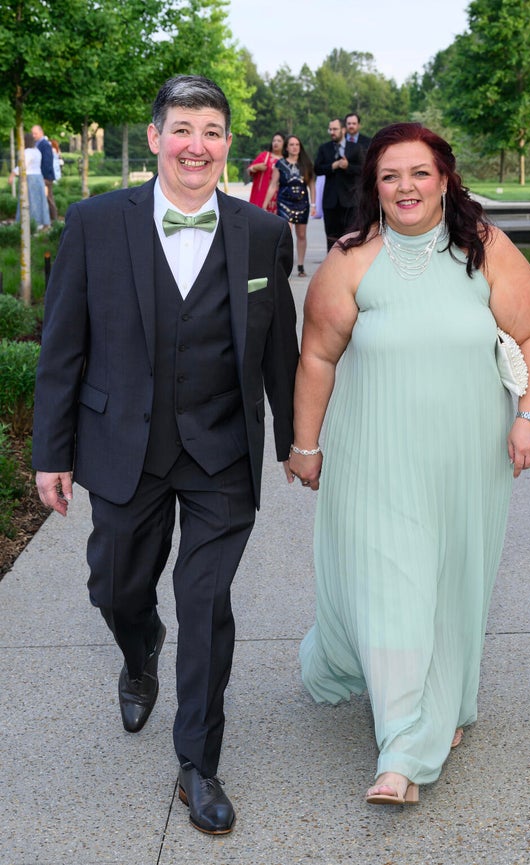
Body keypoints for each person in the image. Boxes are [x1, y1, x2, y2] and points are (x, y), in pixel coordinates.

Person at [32, 75, 299, 836]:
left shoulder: (263, 233)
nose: (197, 145)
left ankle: (198, 764)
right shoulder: (92, 223)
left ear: (227, 144)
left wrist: (295, 441)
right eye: (182, 128)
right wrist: (51, 450)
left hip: (221, 454)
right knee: (115, 584)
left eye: (211, 130)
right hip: (123, 446)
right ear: (155, 138)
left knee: (207, 603)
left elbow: (279, 348)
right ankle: (139, 643)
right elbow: (63, 345)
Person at [289, 122, 530, 806]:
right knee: (395, 583)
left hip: (469, 453)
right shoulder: (351, 260)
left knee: (456, 581)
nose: (405, 187)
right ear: (372, 186)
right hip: (374, 454)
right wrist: (306, 443)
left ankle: (452, 703)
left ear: (444, 179)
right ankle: (404, 751)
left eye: (419, 173)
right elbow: (317, 355)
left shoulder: (484, 250)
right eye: (389, 175)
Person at [263, 134, 316, 277]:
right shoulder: (280, 164)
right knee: (287, 233)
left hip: (302, 203)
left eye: (297, 144)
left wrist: (313, 204)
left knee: (301, 234)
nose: (294, 147)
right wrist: (264, 205)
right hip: (284, 202)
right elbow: (273, 185)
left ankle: (300, 266)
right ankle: (284, 265)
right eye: (291, 144)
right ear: (287, 147)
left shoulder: (306, 163)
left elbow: (311, 184)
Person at [314, 118, 363, 251]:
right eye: (330, 129)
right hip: (330, 202)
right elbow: (317, 169)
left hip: (350, 201)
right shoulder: (324, 148)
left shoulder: (355, 148)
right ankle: (332, 266)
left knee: (351, 237)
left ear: (343, 130)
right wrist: (333, 166)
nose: (332, 132)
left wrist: (348, 166)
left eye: (335, 129)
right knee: (331, 237)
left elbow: (362, 170)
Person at [12, 131, 51, 230]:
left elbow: (23, 166)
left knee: (30, 200)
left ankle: (32, 223)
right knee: (39, 200)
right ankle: (41, 222)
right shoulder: (37, 151)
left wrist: (12, 174)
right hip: (38, 177)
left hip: (30, 178)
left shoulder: (27, 152)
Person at [247, 131, 285, 213]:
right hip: (261, 195)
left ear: (284, 144)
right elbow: (249, 170)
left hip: (279, 197)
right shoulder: (265, 156)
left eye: (279, 141)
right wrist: (255, 167)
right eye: (274, 141)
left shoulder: (286, 161)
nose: (276, 143)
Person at [31, 124, 58, 221]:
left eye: (35, 133)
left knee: (48, 199)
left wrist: (43, 177)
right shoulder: (37, 144)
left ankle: (54, 220)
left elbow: (47, 162)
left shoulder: (45, 145)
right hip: (40, 176)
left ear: (41, 133)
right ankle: (47, 220)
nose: (33, 135)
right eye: (32, 133)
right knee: (44, 199)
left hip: (46, 177)